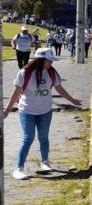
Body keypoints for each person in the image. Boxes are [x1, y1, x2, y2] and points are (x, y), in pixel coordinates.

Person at [4, 48, 82, 180]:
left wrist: (72, 100)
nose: (52, 63)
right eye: (49, 60)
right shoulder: (25, 73)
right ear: (41, 60)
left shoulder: (51, 72)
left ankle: (45, 162)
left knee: (44, 138)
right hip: (27, 111)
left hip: (45, 111)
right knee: (28, 138)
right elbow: (16, 92)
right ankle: (19, 168)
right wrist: (7, 109)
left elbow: (59, 88)